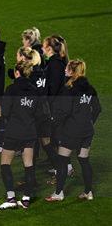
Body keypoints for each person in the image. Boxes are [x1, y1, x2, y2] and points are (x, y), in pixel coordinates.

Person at [46, 60, 101, 202]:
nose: (64, 70)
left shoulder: (69, 89)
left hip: (71, 131)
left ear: (72, 72)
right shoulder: (90, 89)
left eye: (67, 69)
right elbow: (97, 109)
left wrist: (54, 124)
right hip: (87, 131)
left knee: (62, 161)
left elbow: (64, 112)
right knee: (84, 160)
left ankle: (59, 193)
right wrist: (89, 122)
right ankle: (88, 192)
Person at [0, 61, 49, 210]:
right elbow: (40, 114)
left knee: (5, 164)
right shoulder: (35, 91)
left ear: (17, 73)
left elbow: (5, 112)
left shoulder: (11, 89)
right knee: (29, 165)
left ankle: (11, 198)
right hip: (30, 132)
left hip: (13, 132)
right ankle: (26, 199)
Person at [42, 35, 72, 177]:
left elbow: (53, 88)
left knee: (57, 137)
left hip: (56, 106)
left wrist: (48, 105)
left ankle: (66, 167)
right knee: (57, 137)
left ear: (49, 48)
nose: (42, 48)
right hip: (59, 105)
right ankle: (66, 165)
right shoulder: (58, 62)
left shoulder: (54, 64)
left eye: (43, 45)